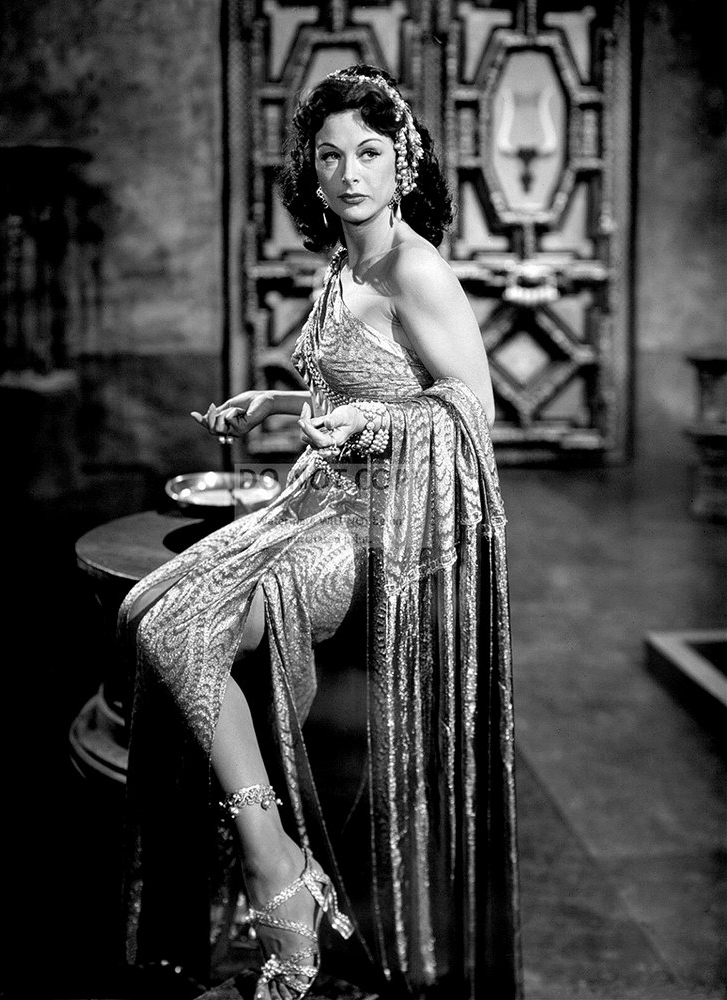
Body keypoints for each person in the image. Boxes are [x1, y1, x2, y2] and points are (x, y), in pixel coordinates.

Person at [119, 65, 522, 1000]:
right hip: (315, 495)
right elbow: (361, 379)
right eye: (331, 156)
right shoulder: (342, 262)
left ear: (402, 162)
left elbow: (476, 412)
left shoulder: (416, 269)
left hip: (382, 521)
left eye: (370, 154)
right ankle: (275, 864)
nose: (349, 175)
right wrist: (278, 400)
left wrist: (373, 426)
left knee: (183, 628)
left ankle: (274, 866)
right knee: (148, 610)